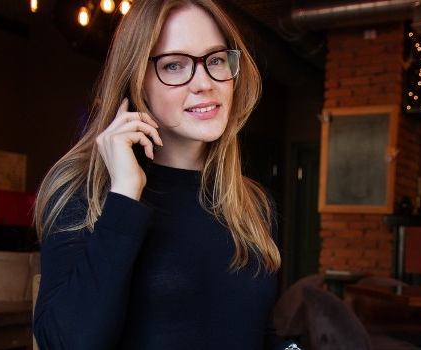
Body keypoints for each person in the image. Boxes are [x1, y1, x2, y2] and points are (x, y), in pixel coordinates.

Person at [32, 0, 298, 349]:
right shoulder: (83, 191)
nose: (205, 83)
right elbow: (66, 343)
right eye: (174, 65)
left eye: (216, 60)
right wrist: (125, 195)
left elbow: (259, 336)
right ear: (136, 81)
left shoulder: (253, 204)